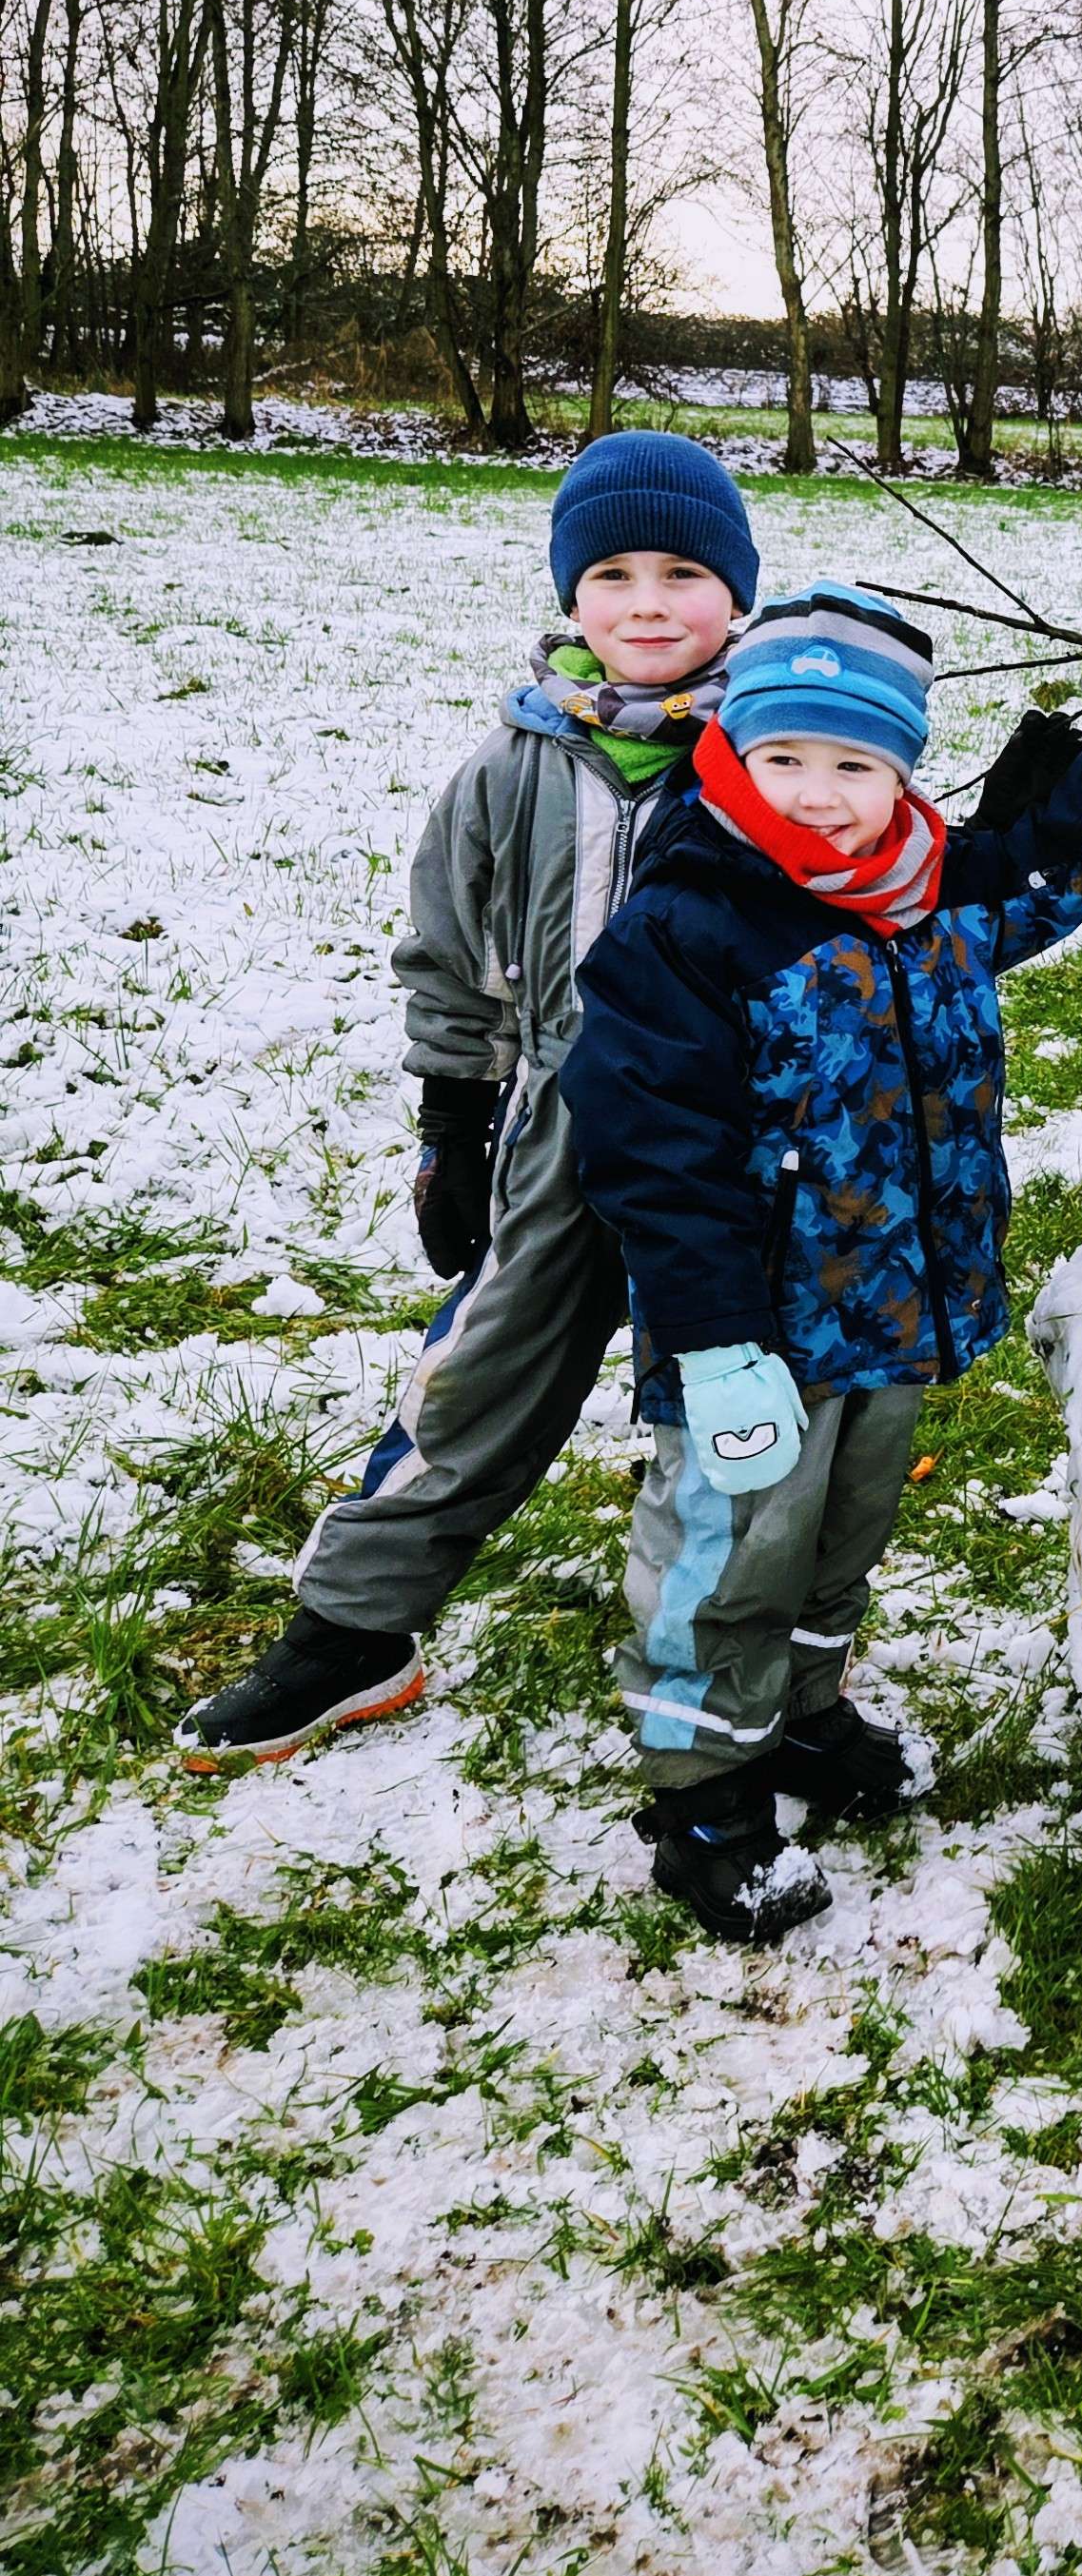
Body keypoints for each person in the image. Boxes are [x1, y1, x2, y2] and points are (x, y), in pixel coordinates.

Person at [558, 583, 1082, 1943]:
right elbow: (651, 1151)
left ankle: (803, 1716)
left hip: (890, 1309)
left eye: (855, 764)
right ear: (734, 751)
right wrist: (711, 1343)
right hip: (751, 1331)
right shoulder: (696, 924)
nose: (820, 796)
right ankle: (706, 1792)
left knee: (841, 1536)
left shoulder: (928, 887)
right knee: (732, 1550)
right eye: (786, 760)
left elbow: (1046, 866)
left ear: (900, 769)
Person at [177, 431, 762, 1772]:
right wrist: (455, 1118)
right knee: (482, 1371)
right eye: (611, 573)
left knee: (731, 1407)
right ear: (572, 598)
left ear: (736, 593)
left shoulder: (777, 752)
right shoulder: (509, 768)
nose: (648, 602)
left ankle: (744, 1669)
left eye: (684, 572)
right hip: (562, 1123)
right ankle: (356, 1627)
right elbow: (451, 955)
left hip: (739, 1140)